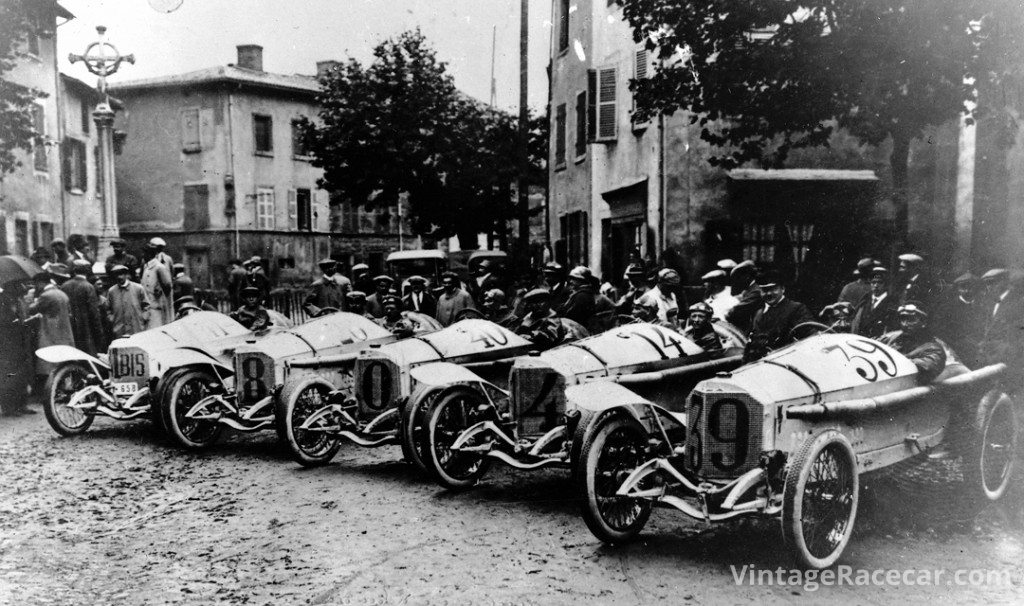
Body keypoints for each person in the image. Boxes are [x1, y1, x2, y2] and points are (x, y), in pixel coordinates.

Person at [27, 270, 74, 388]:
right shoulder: (61, 293)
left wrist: (32, 300)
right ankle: (65, 387)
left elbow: (32, 309)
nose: (35, 287)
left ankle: (52, 388)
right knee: (63, 360)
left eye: (36, 284)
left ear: (41, 283)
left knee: (50, 362)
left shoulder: (46, 295)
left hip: (50, 332)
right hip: (64, 331)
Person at [880, 302, 947, 384]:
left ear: (924, 323)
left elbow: (927, 367)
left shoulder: (934, 349)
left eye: (911, 320)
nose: (904, 324)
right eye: (902, 319)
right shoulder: (890, 338)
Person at [749, 270, 814, 350]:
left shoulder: (796, 309)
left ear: (782, 289)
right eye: (765, 290)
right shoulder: (758, 314)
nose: (769, 293)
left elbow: (811, 338)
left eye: (773, 289)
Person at [937, 272, 985, 367]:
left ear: (976, 289)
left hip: (980, 347)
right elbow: (943, 331)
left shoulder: (982, 306)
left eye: (971, 287)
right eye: (963, 287)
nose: (967, 291)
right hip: (957, 349)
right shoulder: (948, 307)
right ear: (958, 289)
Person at [0, 279, 33, 416]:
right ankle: (9, 407)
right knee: (9, 374)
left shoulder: (18, 300)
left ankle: (21, 404)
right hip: (8, 342)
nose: (23, 287)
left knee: (21, 373)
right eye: (18, 285)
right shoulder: (4, 301)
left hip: (19, 340)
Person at [60, 260, 105, 356]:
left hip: (69, 328)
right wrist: (99, 333)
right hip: (85, 330)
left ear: (74, 270)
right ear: (88, 271)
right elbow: (94, 313)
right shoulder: (88, 287)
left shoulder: (64, 286)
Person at [851, 266, 897, 338]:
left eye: (880, 282)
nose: (876, 285)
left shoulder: (891, 303)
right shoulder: (864, 300)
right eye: (873, 282)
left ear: (886, 285)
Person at [106, 265, 149, 338]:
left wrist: (143, 318)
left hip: (136, 327)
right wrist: (112, 319)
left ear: (126, 275)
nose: (119, 277)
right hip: (119, 328)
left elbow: (146, 305)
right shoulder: (111, 291)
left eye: (121, 274)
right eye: (116, 274)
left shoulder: (138, 288)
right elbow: (108, 309)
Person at [141, 244, 174, 328]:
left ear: (149, 254)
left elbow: (167, 285)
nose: (143, 256)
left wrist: (159, 293)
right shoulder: (146, 266)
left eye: (144, 253)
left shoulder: (159, 267)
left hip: (157, 306)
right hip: (147, 306)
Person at [725, 261, 763, 333]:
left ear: (747, 276)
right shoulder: (750, 289)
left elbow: (735, 311)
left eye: (738, 277)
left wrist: (726, 313)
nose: (737, 281)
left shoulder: (756, 291)